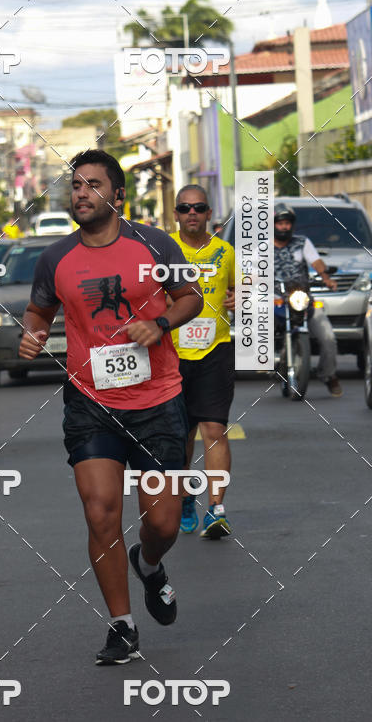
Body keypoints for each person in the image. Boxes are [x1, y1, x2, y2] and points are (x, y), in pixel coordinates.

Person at [19, 149, 203, 665]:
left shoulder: (155, 243)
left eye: (92, 185)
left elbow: (191, 297)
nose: (80, 194)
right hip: (91, 403)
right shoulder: (54, 258)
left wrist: (162, 323)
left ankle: (150, 562)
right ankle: (122, 626)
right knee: (101, 514)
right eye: (75, 186)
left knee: (163, 522)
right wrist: (34, 336)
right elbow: (39, 311)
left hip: (158, 400)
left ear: (117, 195)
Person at [170, 186, 235, 539]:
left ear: (209, 213)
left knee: (214, 431)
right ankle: (183, 498)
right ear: (176, 213)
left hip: (215, 350)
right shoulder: (164, 251)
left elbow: (247, 290)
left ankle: (216, 508)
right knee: (182, 436)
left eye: (198, 207)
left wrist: (240, 297)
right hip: (173, 354)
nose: (191, 213)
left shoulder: (225, 252)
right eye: (184, 208)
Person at [274, 203, 342, 396]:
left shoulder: (302, 242)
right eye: (280, 223)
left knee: (328, 337)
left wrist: (326, 278)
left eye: (288, 223)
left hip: (302, 299)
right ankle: (271, 360)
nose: (284, 227)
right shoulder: (261, 248)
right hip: (274, 301)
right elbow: (252, 273)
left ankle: (328, 374)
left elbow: (316, 261)